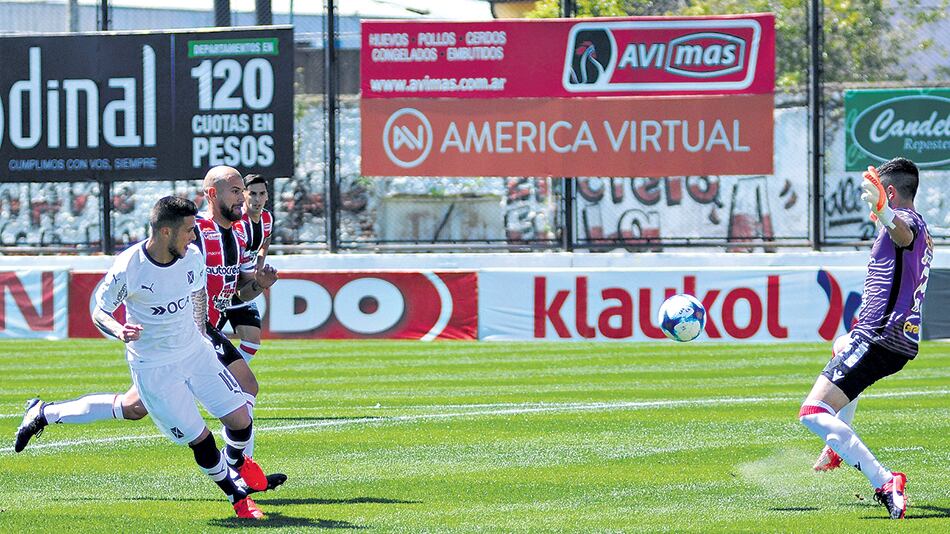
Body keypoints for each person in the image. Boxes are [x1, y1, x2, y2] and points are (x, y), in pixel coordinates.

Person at [14, 168, 281, 484]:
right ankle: (240, 471)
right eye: (236, 191)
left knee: (133, 407)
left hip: (195, 334)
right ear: (213, 194)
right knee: (246, 386)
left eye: (242, 191)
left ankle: (44, 413)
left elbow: (239, 292)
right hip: (187, 332)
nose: (243, 197)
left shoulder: (240, 234)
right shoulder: (192, 231)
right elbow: (153, 257)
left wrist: (259, 285)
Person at [798, 157, 932, 520]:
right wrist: (883, 214)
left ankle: (885, 481)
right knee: (841, 346)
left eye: (874, 193)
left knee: (812, 412)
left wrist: (885, 211)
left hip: (880, 337)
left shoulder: (905, 221)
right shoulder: (919, 226)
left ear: (888, 192)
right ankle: (838, 444)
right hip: (890, 338)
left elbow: (902, 233)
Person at [218, 174, 274, 363]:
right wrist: (258, 282)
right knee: (205, 342)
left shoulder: (267, 218)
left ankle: (227, 375)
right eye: (252, 194)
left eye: (262, 194)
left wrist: (260, 261)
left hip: (240, 287)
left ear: (267, 196)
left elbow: (266, 238)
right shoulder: (238, 225)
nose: (257, 199)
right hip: (222, 288)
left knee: (252, 341)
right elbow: (246, 278)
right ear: (243, 195)